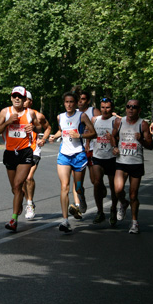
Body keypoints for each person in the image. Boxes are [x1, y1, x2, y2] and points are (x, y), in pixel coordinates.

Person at [0, 86, 41, 232]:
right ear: (11, 98)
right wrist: (8, 123)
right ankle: (20, 201)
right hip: (9, 153)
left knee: (19, 183)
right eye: (14, 96)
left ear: (25, 99)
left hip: (25, 153)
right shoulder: (5, 112)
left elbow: (40, 128)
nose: (17, 99)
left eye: (20, 96)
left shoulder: (30, 113)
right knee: (15, 188)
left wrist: (32, 127)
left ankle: (14, 219)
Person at [49, 92, 97, 233]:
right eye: (66, 102)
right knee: (64, 186)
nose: (69, 104)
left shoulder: (81, 116)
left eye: (71, 102)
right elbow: (61, 130)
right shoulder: (60, 117)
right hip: (64, 155)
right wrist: (54, 136)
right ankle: (65, 221)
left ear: (75, 103)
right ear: (64, 103)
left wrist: (80, 135)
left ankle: (81, 198)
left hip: (79, 155)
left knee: (78, 187)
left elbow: (93, 133)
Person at [111, 99, 152, 234]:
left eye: (134, 107)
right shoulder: (119, 121)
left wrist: (141, 139)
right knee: (118, 190)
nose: (131, 109)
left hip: (136, 162)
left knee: (133, 195)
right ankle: (123, 203)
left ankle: (134, 222)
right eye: (128, 106)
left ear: (139, 110)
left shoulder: (143, 124)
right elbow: (113, 136)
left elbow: (150, 145)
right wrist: (114, 147)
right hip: (121, 161)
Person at [70, 90, 101, 217]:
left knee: (95, 181)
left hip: (93, 150)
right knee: (77, 182)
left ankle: (100, 188)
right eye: (78, 99)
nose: (80, 101)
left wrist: (87, 138)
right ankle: (79, 204)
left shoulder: (94, 112)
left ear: (88, 101)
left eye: (83, 99)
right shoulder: (73, 113)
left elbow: (100, 130)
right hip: (78, 151)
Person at [90, 97, 119, 226]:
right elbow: (89, 133)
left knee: (113, 187)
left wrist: (113, 139)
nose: (105, 110)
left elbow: (121, 136)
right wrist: (87, 145)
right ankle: (100, 211)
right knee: (97, 183)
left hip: (112, 158)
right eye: (102, 107)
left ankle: (113, 209)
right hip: (97, 156)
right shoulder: (95, 120)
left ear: (112, 108)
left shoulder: (116, 121)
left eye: (107, 107)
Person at [23, 91, 52, 220]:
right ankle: (29, 199)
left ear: (31, 101)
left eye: (26, 99)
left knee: (29, 177)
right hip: (19, 150)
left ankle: (29, 204)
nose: (23, 101)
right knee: (20, 181)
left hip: (34, 149)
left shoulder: (38, 116)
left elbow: (48, 128)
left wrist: (43, 139)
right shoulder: (13, 114)